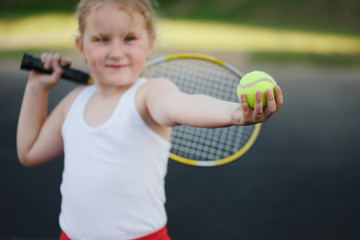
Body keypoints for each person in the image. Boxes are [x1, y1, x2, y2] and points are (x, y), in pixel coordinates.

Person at [16, 0, 284, 239]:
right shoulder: (73, 102)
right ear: (80, 46)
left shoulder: (149, 93)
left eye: (129, 38)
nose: (116, 52)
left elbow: (183, 104)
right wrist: (36, 88)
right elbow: (29, 152)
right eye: (101, 39)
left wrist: (232, 112)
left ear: (150, 43)